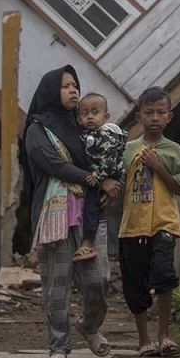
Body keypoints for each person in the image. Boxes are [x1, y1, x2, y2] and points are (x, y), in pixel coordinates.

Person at [21, 66, 119, 358]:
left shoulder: (85, 126)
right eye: (65, 86)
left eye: (75, 85)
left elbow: (106, 161)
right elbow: (53, 164)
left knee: (98, 280)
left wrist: (111, 182)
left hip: (88, 214)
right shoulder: (37, 129)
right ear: (51, 90)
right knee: (56, 284)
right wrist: (95, 179)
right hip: (54, 214)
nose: (73, 90)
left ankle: (89, 326)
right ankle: (59, 347)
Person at [118, 87, 180, 357]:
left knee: (164, 276)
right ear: (139, 117)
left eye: (160, 113)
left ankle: (164, 335)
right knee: (135, 285)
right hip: (132, 225)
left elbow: (179, 187)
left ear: (170, 116)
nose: (154, 118)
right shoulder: (128, 150)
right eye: (148, 113)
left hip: (164, 223)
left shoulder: (173, 150)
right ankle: (144, 339)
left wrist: (158, 166)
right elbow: (118, 184)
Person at [73, 93, 126, 263]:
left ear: (106, 116)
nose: (90, 117)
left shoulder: (105, 135)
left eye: (95, 112)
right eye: (85, 113)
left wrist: (97, 177)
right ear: (79, 118)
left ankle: (88, 241)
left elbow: (109, 163)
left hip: (107, 175)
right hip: (102, 176)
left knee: (91, 205)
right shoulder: (89, 135)